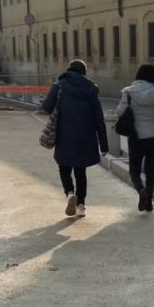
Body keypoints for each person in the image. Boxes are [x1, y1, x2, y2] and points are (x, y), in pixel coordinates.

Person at [41, 60, 108, 217]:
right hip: (86, 136)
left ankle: (70, 193)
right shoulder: (90, 89)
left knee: (64, 166)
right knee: (80, 170)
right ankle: (81, 206)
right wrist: (104, 144)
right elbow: (99, 118)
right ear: (83, 72)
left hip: (64, 134)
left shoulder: (60, 85)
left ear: (69, 70)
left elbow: (46, 106)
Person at [115, 64, 154, 212]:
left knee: (134, 171)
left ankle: (142, 192)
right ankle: (149, 203)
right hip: (153, 136)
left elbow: (119, 112)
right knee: (149, 171)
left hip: (136, 136)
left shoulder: (128, 93)